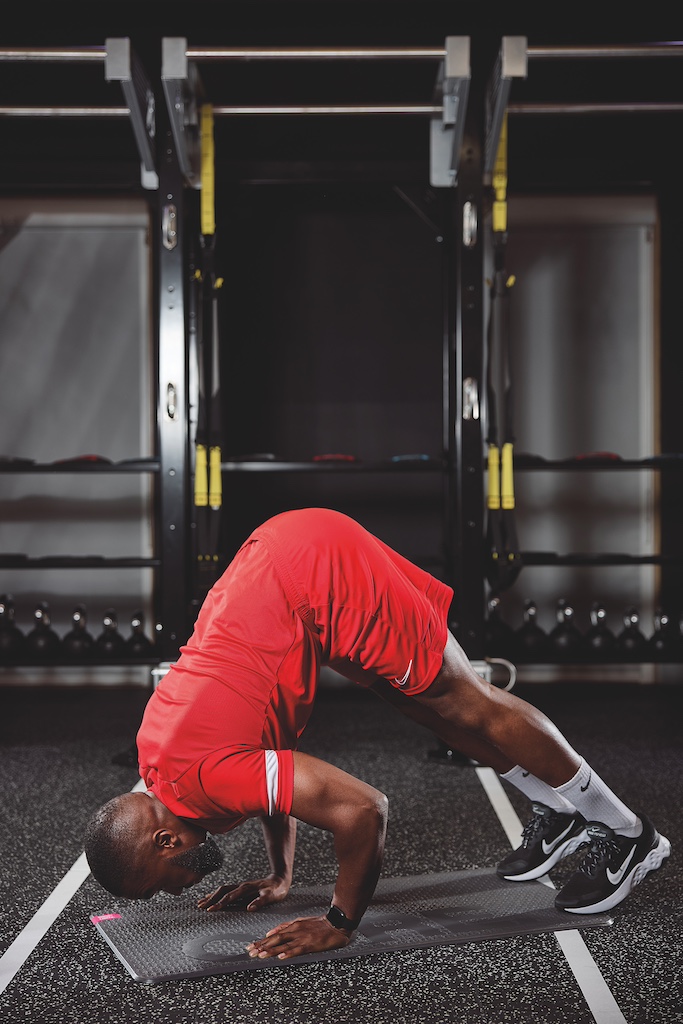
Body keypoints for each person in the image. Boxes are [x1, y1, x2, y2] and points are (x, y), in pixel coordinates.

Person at [84, 508, 670, 962]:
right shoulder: (158, 763)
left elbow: (364, 810)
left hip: (311, 572)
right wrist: (282, 877)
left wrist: (338, 922)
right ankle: (559, 809)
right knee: (413, 699)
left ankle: (625, 831)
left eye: (158, 887)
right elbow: (266, 776)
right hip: (280, 563)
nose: (171, 894)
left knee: (466, 700)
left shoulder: (200, 780)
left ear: (165, 844)